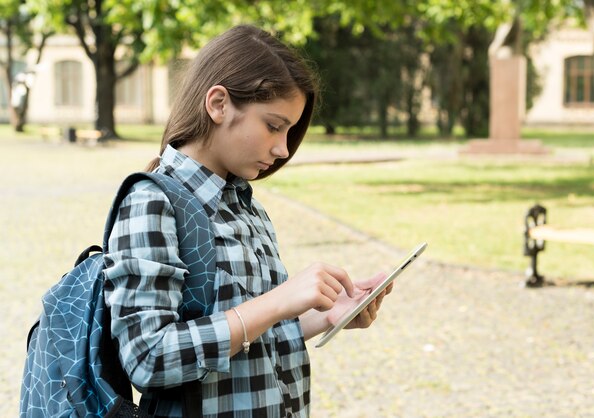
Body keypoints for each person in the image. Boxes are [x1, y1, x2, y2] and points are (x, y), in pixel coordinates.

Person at [103, 24, 392, 418]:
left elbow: (255, 338)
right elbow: (147, 357)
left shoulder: (244, 203)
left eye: (290, 131)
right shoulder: (152, 200)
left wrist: (325, 315)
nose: (282, 148)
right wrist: (277, 302)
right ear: (219, 104)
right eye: (274, 126)